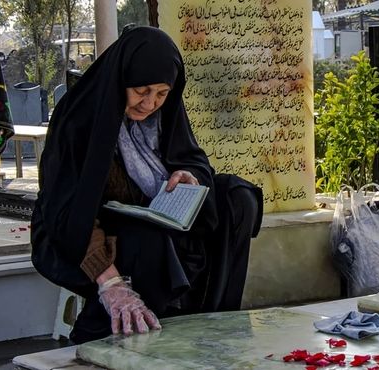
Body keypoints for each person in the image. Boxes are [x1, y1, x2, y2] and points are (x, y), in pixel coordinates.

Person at [30, 26, 263, 344]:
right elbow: (71, 211)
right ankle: (98, 333)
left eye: (162, 93)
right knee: (148, 239)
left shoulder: (165, 115)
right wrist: (111, 284)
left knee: (237, 197)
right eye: (141, 90)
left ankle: (212, 318)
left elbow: (194, 161)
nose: (150, 103)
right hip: (79, 233)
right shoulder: (78, 119)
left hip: (155, 220)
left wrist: (187, 176)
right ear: (121, 80)